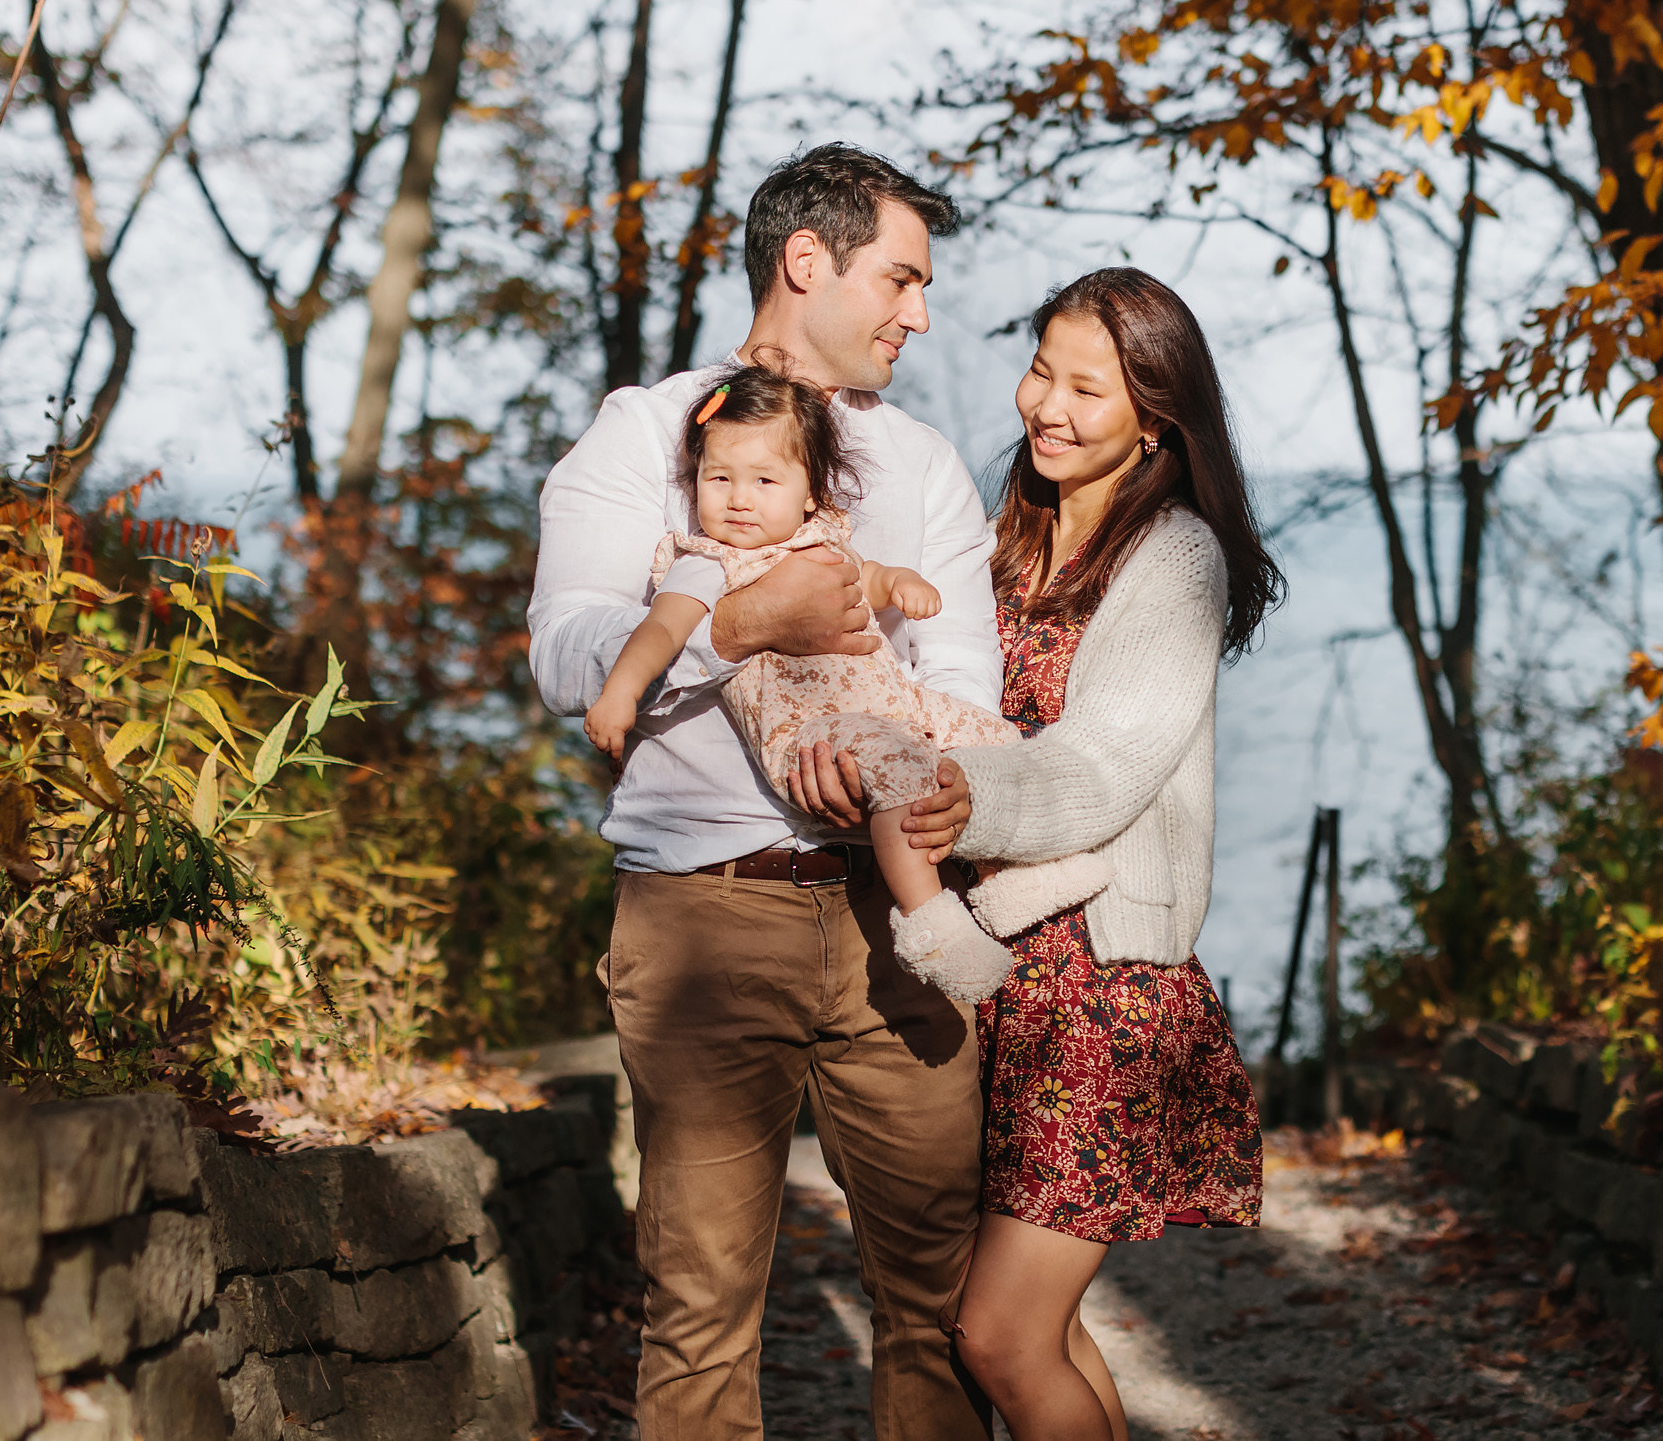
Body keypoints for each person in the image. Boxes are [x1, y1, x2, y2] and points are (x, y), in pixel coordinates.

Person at [527, 143, 997, 1441]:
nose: (918, 311)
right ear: (808, 262)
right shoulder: (648, 433)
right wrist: (738, 622)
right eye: (901, 278)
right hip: (704, 921)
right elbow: (568, 651)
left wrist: (955, 796)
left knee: (938, 1303)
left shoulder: (927, 467)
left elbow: (961, 677)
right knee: (700, 1308)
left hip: (898, 921)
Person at [885, 267, 1281, 1441]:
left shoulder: (1175, 557)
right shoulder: (1008, 533)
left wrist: (957, 797)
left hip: (1105, 989)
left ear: (1155, 415)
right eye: (1042, 370)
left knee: (999, 1333)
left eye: (1087, 388)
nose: (1046, 405)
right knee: (1041, 1330)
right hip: (1000, 975)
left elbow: (1104, 765)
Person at [584, 362, 1115, 1000]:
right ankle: (932, 924)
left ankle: (1011, 880)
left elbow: (871, 577)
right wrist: (619, 696)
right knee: (898, 767)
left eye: (764, 480)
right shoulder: (708, 563)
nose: (738, 498)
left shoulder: (823, 539)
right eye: (717, 478)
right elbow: (660, 634)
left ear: (810, 492)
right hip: (810, 733)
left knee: (988, 735)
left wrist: (900, 585)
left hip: (893, 703)